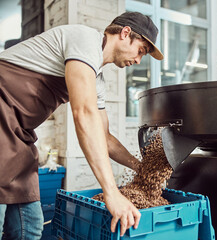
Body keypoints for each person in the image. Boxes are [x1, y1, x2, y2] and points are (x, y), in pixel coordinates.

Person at [0, 11, 163, 239]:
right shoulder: (86, 40)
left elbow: (104, 138)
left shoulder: (96, 79)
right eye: (141, 51)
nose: (137, 60)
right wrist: (111, 192)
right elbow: (84, 114)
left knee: (30, 228)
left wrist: (141, 168)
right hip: (2, 117)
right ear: (126, 33)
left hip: (18, 134)